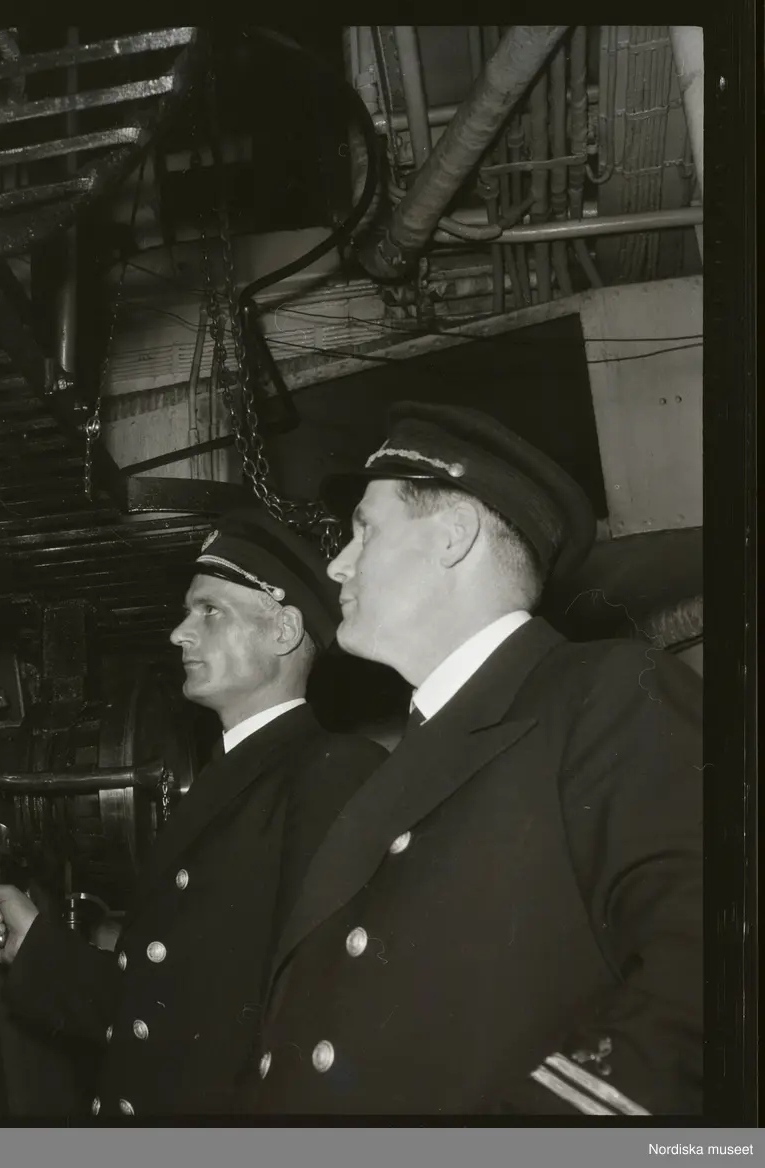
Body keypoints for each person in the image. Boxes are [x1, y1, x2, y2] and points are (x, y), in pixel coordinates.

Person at [247, 402, 702, 1116]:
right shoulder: (409, 755)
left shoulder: (611, 693)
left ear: (452, 536)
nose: (338, 563)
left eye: (364, 530)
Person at [0, 510, 387, 1117]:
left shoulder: (331, 772)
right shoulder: (228, 778)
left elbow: (323, 1021)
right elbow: (163, 1014)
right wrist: (35, 945)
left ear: (284, 630)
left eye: (210, 611)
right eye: (189, 612)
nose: (179, 634)